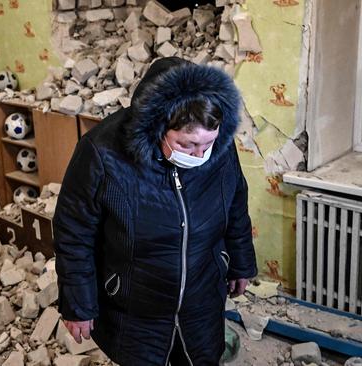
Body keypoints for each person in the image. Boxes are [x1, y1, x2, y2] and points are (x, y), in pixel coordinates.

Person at [53, 57, 257, 366]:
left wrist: (241, 263)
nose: (200, 155)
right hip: (134, 307)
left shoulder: (221, 146)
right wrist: (78, 304)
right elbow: (74, 230)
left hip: (202, 299)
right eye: (187, 145)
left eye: (208, 144)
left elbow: (236, 204)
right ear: (158, 125)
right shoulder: (102, 152)